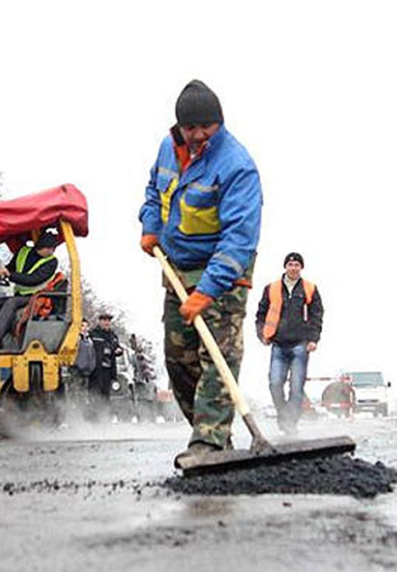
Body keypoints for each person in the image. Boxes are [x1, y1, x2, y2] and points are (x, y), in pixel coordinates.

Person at [138, 80, 262, 463]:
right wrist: (150, 227)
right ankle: (215, 441)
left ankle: (208, 442)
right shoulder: (168, 148)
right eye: (190, 127)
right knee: (178, 359)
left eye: (205, 127)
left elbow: (239, 238)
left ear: (218, 122)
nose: (197, 135)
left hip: (223, 274)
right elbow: (154, 191)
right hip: (178, 269)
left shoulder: (237, 166)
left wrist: (207, 290)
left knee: (218, 357)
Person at [255, 252, 324, 435]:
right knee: (275, 383)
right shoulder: (272, 288)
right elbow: (261, 314)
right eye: (290, 264)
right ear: (285, 266)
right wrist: (262, 334)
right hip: (278, 344)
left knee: (296, 387)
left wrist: (313, 339)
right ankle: (283, 416)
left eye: (297, 265)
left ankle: (290, 423)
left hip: (301, 345)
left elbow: (317, 315)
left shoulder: (309, 288)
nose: (293, 268)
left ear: (301, 267)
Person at [0, 231, 60, 349]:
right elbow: (11, 268)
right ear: (43, 246)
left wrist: (9, 275)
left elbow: (33, 280)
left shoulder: (51, 262)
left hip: (36, 297)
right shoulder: (23, 252)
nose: (52, 251)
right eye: (51, 248)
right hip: (20, 295)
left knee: (11, 302)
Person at [88, 313, 123, 420]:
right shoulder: (93, 334)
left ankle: (105, 418)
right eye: (104, 320)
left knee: (106, 395)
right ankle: (94, 419)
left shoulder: (113, 335)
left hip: (108, 370)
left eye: (108, 321)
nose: (106, 323)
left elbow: (117, 347)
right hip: (96, 370)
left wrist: (119, 351)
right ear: (100, 321)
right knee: (94, 394)